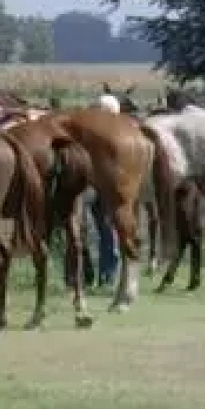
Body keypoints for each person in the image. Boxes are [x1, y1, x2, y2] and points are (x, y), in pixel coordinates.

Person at [87, 93, 122, 288]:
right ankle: (103, 276)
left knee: (107, 230)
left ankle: (106, 275)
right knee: (107, 231)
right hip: (97, 186)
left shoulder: (116, 135)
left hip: (104, 187)